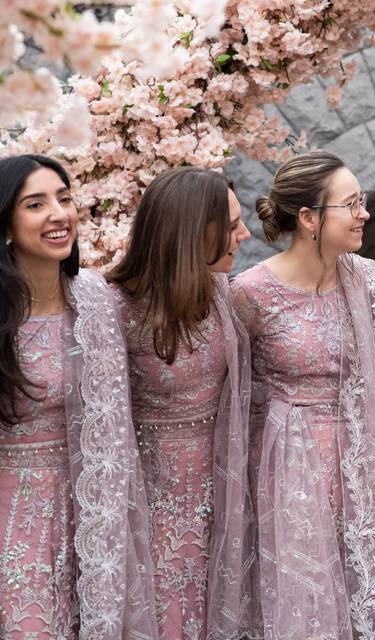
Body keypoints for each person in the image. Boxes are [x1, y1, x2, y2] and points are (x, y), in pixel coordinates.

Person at [232, 150, 375, 638]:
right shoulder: (249, 293)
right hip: (287, 473)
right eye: (351, 204)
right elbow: (237, 401)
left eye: (362, 201)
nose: (364, 213)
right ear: (308, 218)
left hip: (359, 466)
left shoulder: (365, 276)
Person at [0, 154, 157, 638]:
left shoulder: (98, 301)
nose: (58, 213)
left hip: (98, 513)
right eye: (36, 203)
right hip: (16, 518)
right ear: (5, 224)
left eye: (64, 198)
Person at [107, 167, 256, 638]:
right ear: (196, 231)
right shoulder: (115, 308)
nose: (245, 234)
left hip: (224, 502)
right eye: (232, 225)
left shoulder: (220, 295)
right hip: (149, 510)